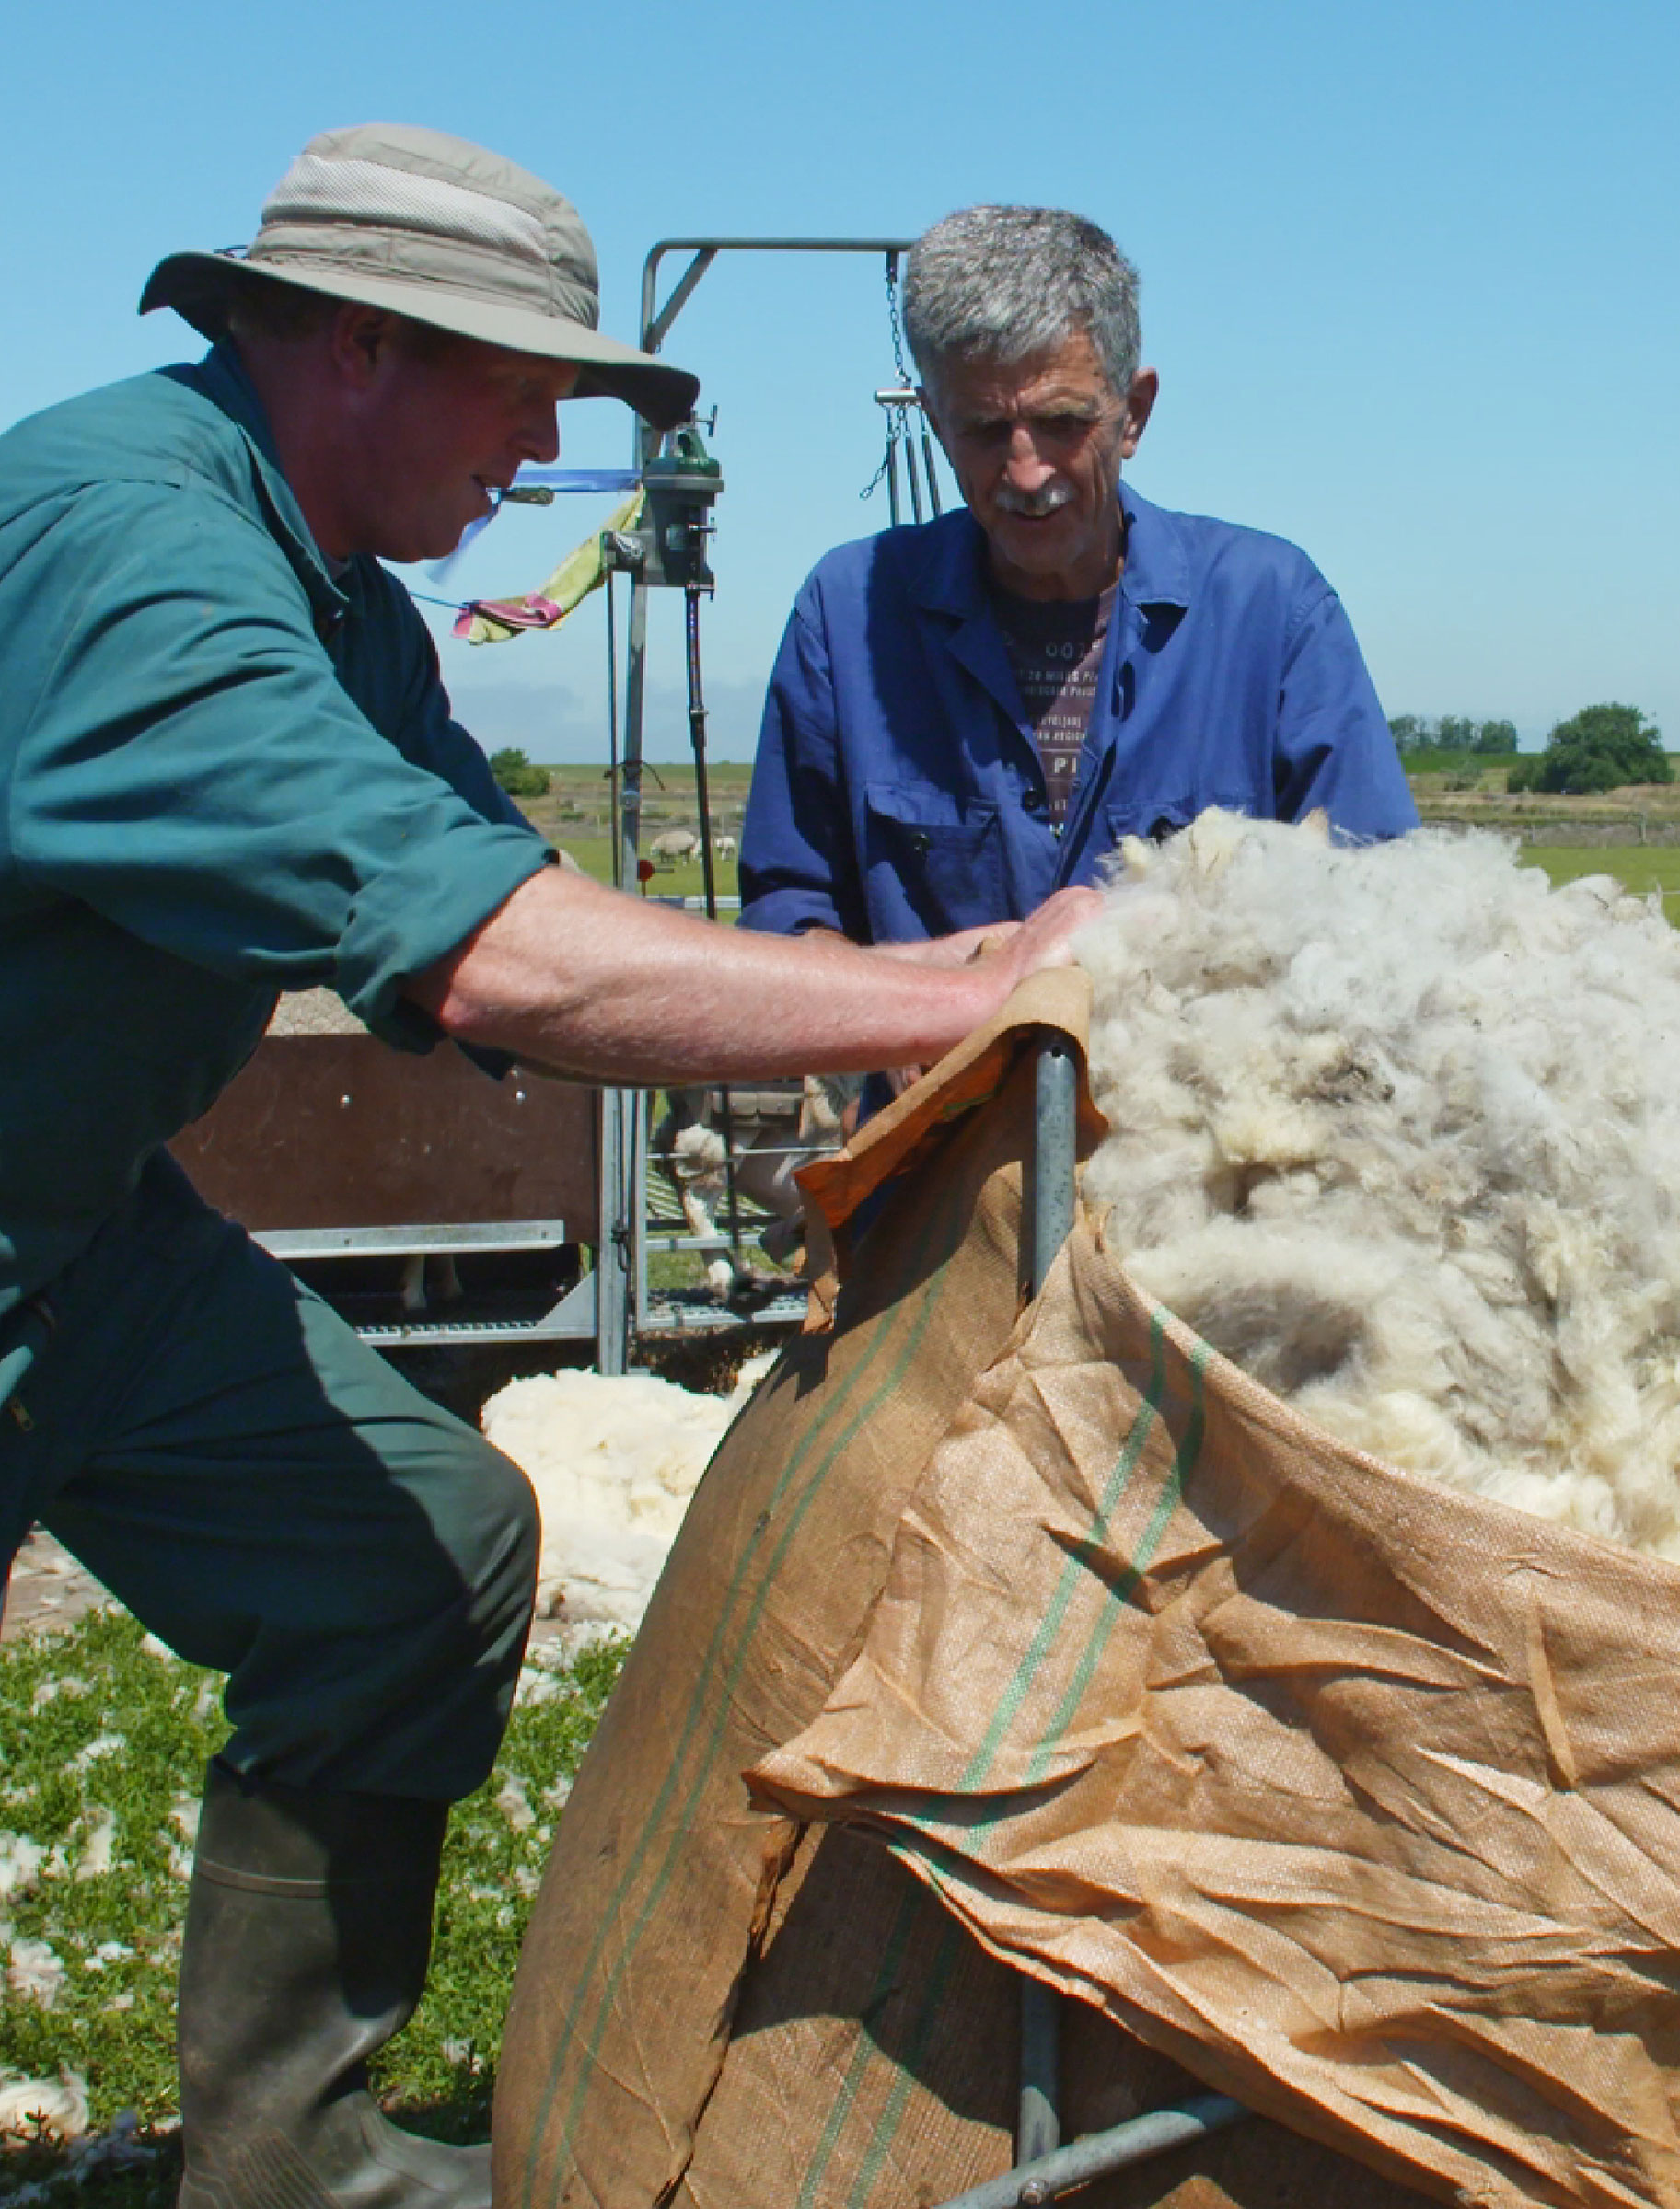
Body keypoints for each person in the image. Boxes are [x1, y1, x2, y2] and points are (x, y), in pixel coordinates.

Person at [0, 126, 1095, 2209]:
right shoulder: (134, 551)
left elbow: (517, 914)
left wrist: (954, 976)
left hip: (81, 1222)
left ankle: (286, 2160)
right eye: (521, 393)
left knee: (411, 1556)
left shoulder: (340, 597)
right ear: (354, 346)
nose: (541, 451)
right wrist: (953, 990)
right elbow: (486, 949)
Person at [736, 202, 1418, 949]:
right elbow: (789, 913)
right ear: (935, 422)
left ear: (1134, 413)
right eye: (985, 430)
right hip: (928, 1034)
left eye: (1063, 424)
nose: (1027, 473)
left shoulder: (1273, 613)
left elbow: (1379, 909)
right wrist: (919, 1004)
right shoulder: (849, 618)